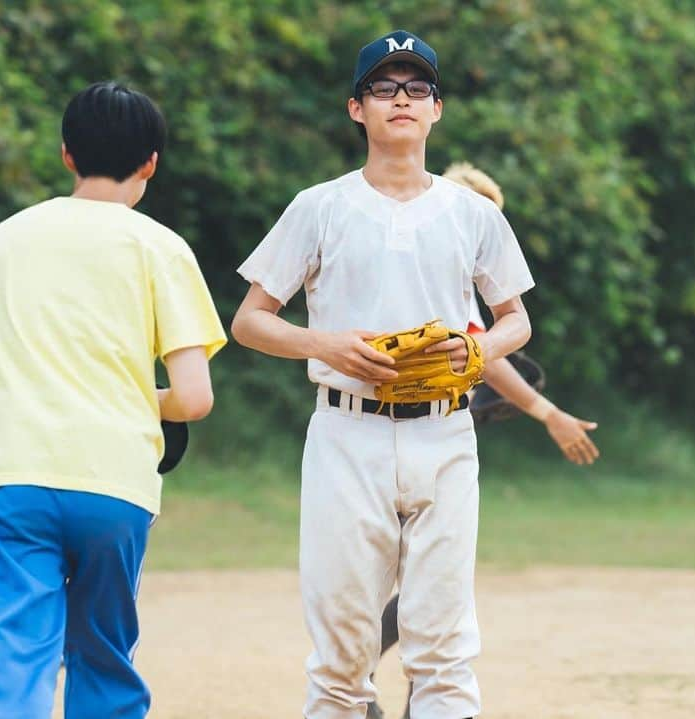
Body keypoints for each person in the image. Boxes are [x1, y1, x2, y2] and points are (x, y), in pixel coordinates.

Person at [232, 30, 535, 719]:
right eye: (384, 88)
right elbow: (250, 320)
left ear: (437, 109)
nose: (402, 99)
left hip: (444, 429)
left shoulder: (473, 214)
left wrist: (480, 352)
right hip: (347, 429)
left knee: (444, 646)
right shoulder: (321, 206)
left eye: (417, 88)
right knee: (341, 652)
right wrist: (326, 344)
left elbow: (515, 318)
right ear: (356, 109)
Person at [0, 81, 226, 719]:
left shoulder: (0, 242)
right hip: (114, 483)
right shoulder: (162, 249)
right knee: (102, 655)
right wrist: (139, 402)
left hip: (10, 478)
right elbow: (194, 399)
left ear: (66, 154)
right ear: (151, 162)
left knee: (14, 663)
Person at [366, 162, 599, 719]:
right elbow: (491, 362)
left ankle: (372, 687)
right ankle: (365, 685)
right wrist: (548, 413)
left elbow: (483, 353)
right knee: (420, 585)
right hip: (398, 442)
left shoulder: (442, 272)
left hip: (427, 438)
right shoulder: (428, 267)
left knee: (415, 582)